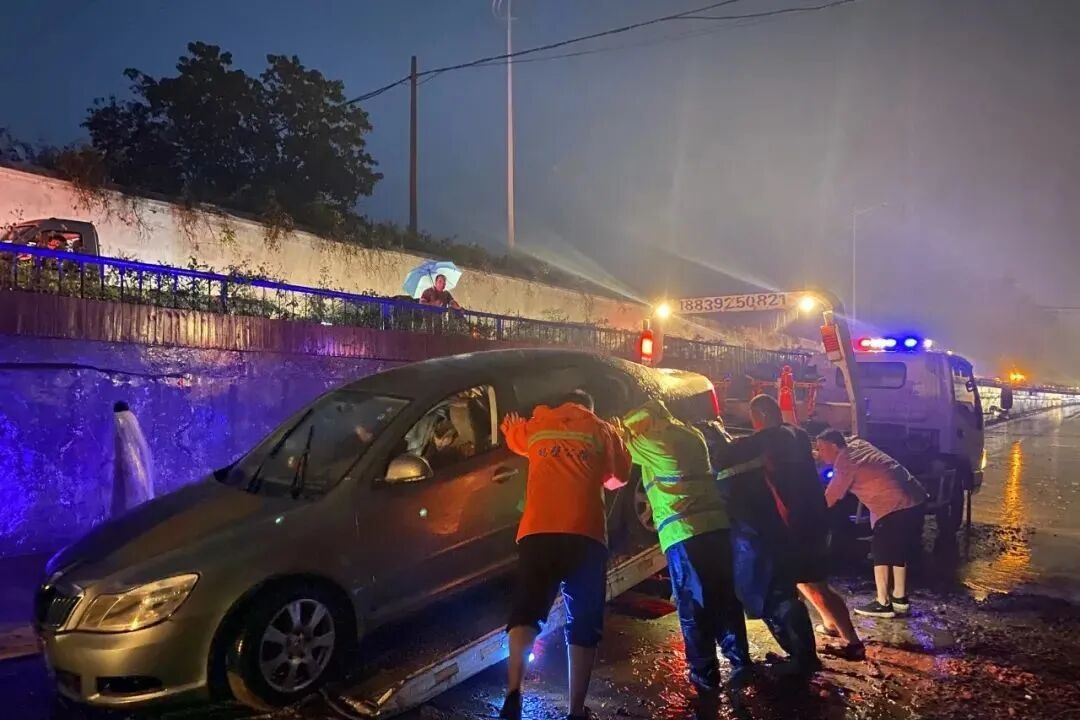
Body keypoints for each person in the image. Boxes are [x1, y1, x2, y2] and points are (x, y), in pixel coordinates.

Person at [499, 390, 631, 720]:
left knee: (527, 612)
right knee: (583, 622)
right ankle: (575, 711)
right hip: (585, 536)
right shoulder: (602, 430)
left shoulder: (539, 424)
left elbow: (515, 439)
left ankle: (513, 692)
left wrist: (510, 428)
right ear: (590, 408)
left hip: (537, 532)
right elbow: (619, 478)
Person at [611, 400, 751, 691]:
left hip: (686, 533)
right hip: (716, 528)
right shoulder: (690, 434)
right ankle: (740, 660)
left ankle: (704, 674)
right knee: (724, 596)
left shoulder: (655, 441)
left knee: (694, 605)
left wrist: (617, 426)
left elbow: (617, 442)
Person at [721, 395, 864, 674]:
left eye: (754, 420)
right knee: (807, 581)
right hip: (814, 518)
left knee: (813, 582)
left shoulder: (770, 438)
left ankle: (852, 643)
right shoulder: (795, 433)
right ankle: (832, 627)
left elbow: (725, 455)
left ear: (759, 417)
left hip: (800, 525)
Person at [815, 431, 929, 619]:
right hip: (914, 498)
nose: (819, 453)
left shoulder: (845, 463)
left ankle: (883, 603)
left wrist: (806, 513)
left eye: (821, 448)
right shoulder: (857, 445)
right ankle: (899, 598)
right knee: (897, 550)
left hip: (894, 504)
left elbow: (830, 498)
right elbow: (849, 441)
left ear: (834, 447)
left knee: (881, 552)